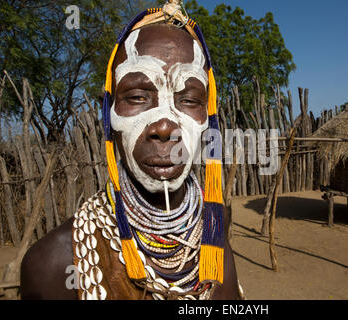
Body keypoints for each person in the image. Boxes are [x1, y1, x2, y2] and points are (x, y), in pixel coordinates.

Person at [20, 3, 241, 300]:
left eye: (189, 99)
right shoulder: (53, 265)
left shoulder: (217, 225)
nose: (164, 126)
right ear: (109, 113)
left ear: (208, 117)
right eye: (137, 96)